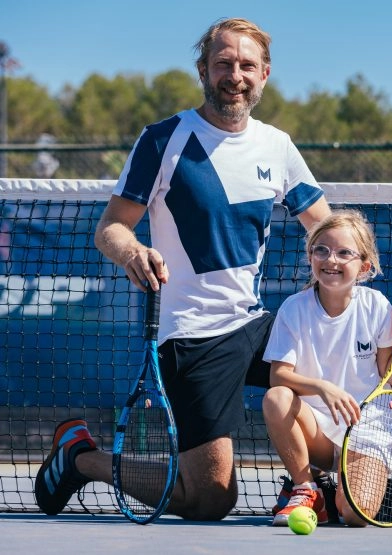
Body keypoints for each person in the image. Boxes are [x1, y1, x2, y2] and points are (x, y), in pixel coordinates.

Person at [35, 17, 331, 521]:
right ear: (203, 70)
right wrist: (131, 252)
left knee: (336, 367)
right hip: (194, 336)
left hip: (257, 323)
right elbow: (111, 226)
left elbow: (327, 227)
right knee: (210, 499)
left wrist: (354, 279)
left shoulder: (277, 146)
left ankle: (309, 482)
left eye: (246, 65)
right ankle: (82, 460)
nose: (234, 75)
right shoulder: (163, 140)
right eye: (223, 64)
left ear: (264, 75)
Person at [262, 209, 392, 527]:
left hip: (367, 430)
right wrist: (324, 388)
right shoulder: (293, 309)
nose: (331, 260)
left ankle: (344, 485)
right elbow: (278, 376)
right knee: (277, 398)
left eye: (344, 252)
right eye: (321, 249)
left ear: (363, 266)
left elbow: (390, 376)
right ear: (310, 257)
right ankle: (307, 488)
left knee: (355, 515)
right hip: (318, 431)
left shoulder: (376, 306)